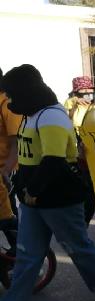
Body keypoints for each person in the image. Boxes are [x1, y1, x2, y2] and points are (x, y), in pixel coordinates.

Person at [0, 64, 95, 301]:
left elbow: (54, 162)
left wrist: (33, 192)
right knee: (27, 255)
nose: (9, 101)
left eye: (11, 95)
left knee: (77, 247)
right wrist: (22, 188)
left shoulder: (51, 117)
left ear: (26, 92)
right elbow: (27, 157)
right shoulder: (30, 116)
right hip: (34, 200)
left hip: (59, 199)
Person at [64, 76, 95, 226]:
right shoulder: (70, 105)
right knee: (87, 191)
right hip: (80, 154)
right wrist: (74, 105)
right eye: (82, 93)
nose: (87, 95)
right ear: (75, 94)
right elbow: (66, 121)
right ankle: (84, 222)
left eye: (90, 91)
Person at [0, 67, 20, 228]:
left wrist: (6, 170)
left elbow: (17, 142)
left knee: (7, 218)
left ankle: (18, 249)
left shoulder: (7, 104)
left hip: (5, 169)